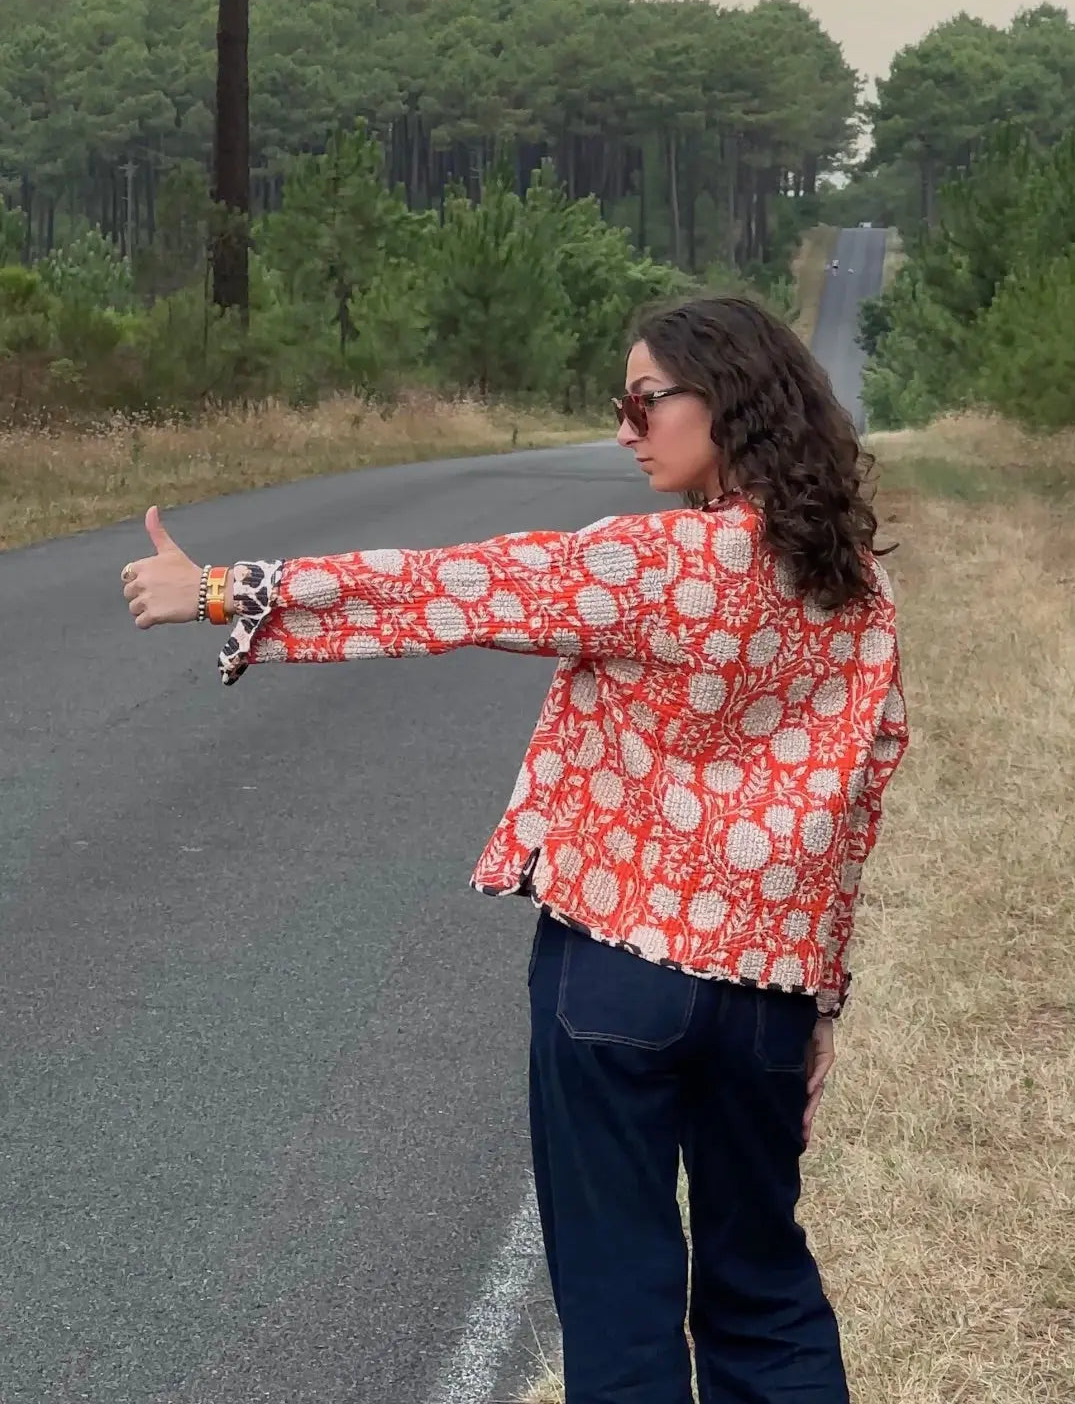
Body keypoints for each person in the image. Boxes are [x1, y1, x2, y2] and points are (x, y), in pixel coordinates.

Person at [120, 294, 908, 1404]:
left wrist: (224, 591)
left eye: (642, 403)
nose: (627, 431)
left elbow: (450, 588)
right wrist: (819, 997)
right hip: (766, 994)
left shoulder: (655, 562)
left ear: (725, 403)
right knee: (762, 1287)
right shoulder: (858, 589)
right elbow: (859, 802)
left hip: (618, 981)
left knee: (618, 1292)